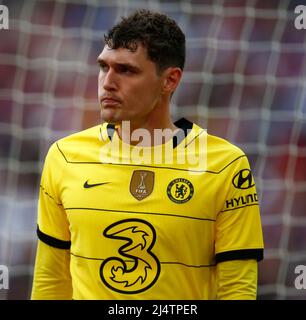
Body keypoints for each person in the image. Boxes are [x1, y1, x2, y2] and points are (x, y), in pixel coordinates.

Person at [31, 9, 264, 300]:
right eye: (104, 67)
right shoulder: (64, 157)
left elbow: (237, 289)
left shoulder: (226, 165)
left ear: (170, 80)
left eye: (126, 70)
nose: (108, 82)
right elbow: (50, 280)